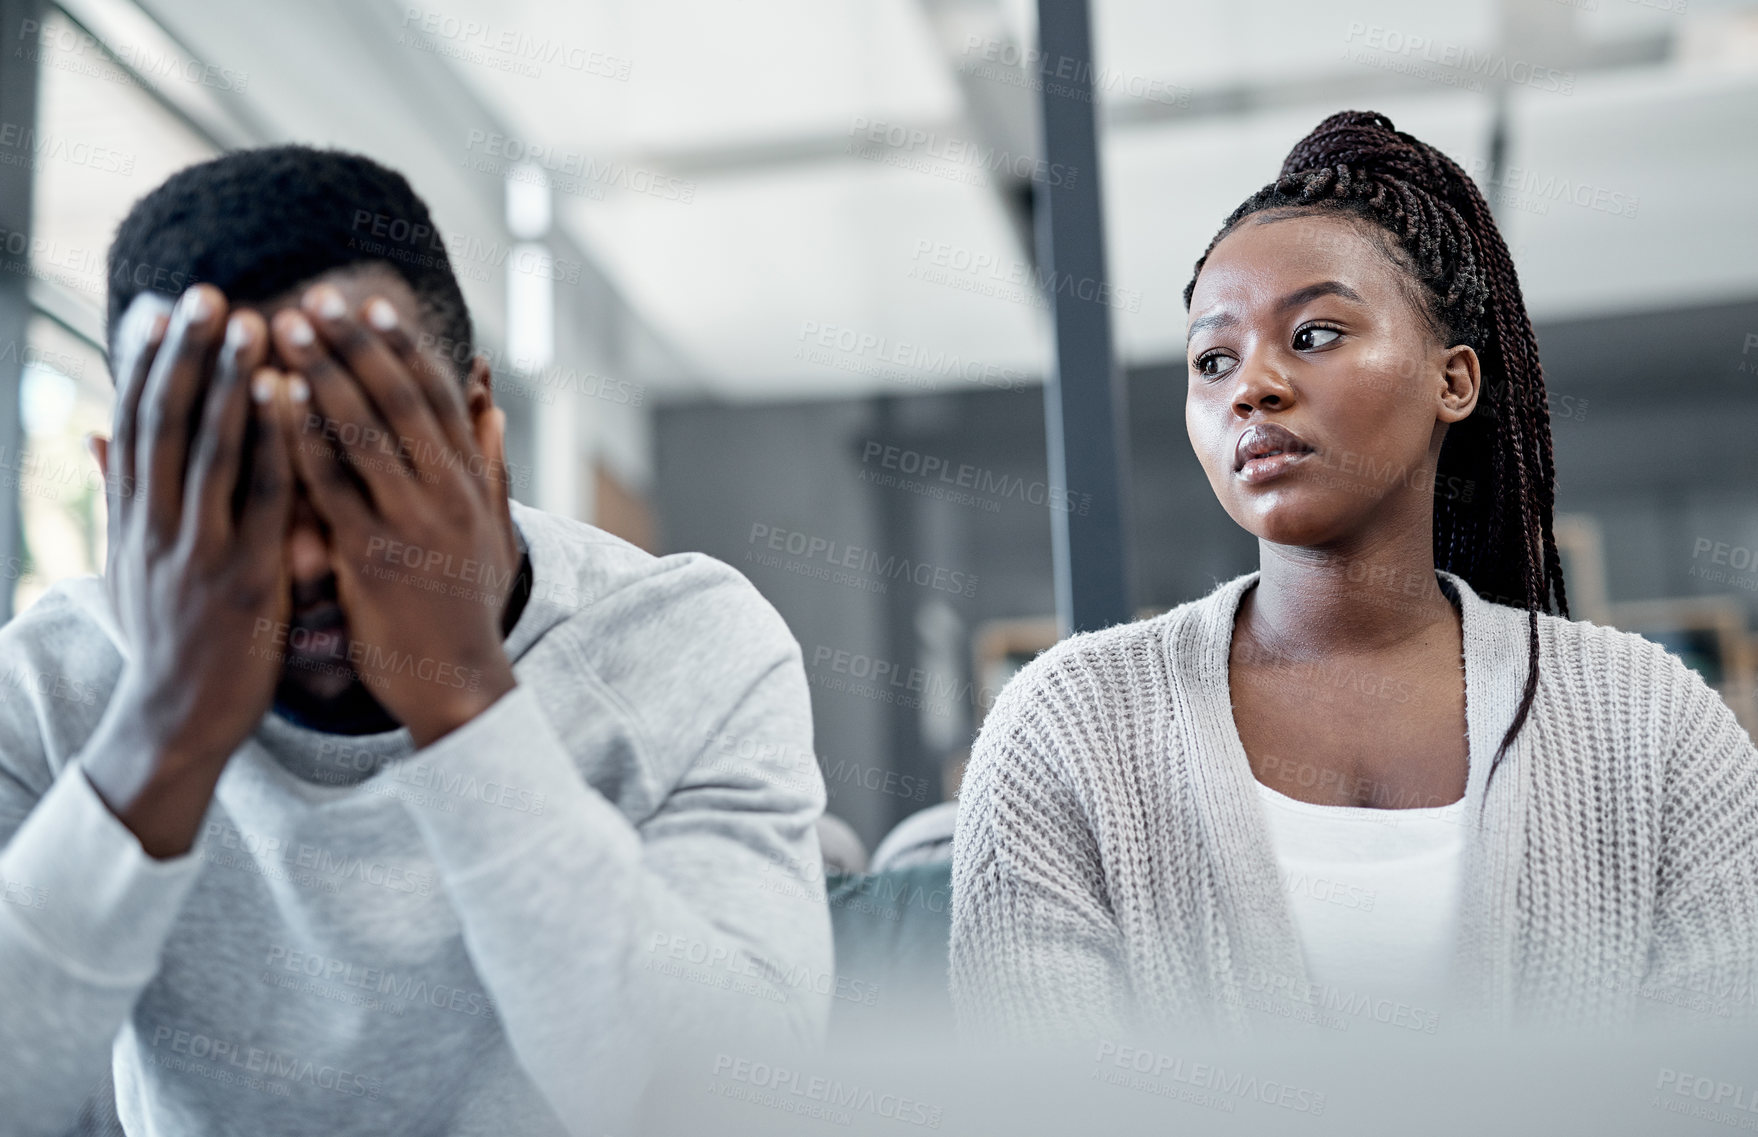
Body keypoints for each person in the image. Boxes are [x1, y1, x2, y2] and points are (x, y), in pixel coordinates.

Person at [0, 146, 832, 1136]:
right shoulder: (50, 686)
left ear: (478, 431)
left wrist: (462, 701)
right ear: (125, 484)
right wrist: (162, 731)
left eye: (358, 477)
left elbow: (740, 1110)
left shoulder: (682, 647)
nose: (303, 557)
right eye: (233, 488)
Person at [949, 111, 1758, 1043]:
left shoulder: (1650, 720)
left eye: (1317, 334)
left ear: (1453, 382)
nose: (1250, 384)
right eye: (1213, 359)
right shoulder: (1067, 727)